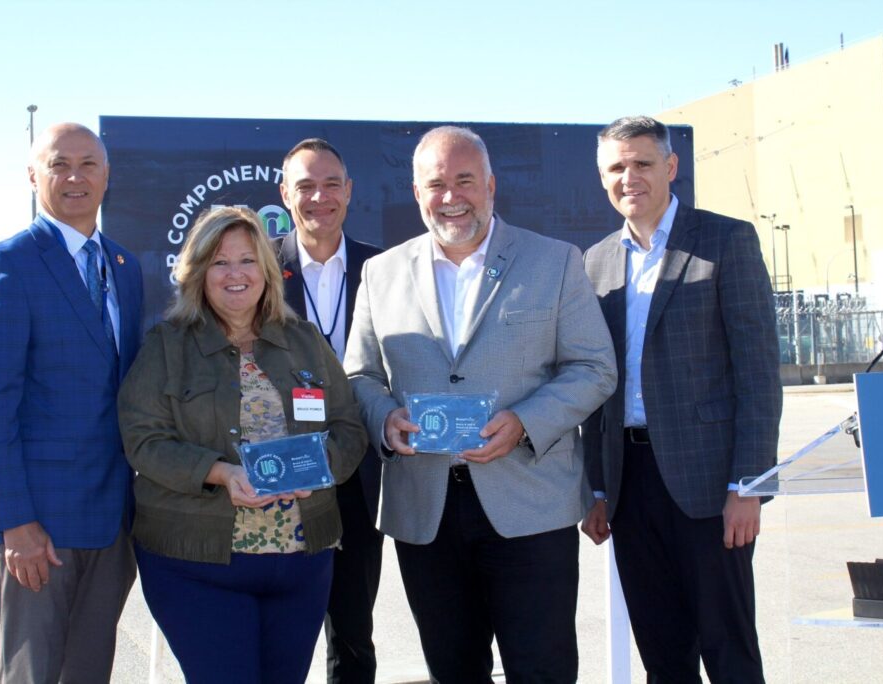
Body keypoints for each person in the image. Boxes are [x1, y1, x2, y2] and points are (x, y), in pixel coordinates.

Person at [344, 125, 617, 682]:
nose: (451, 196)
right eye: (436, 184)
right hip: (427, 512)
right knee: (452, 669)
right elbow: (360, 374)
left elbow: (594, 368)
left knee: (542, 669)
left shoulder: (555, 262)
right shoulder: (381, 273)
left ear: (491, 185)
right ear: (417, 193)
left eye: (464, 180)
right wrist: (384, 417)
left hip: (529, 506)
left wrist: (525, 422)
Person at [118, 206, 368, 683]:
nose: (236, 274)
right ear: (198, 273)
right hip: (198, 565)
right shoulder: (167, 346)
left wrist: (312, 468)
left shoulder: (305, 341)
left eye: (248, 260)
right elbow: (143, 440)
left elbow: (348, 428)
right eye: (219, 262)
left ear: (268, 271)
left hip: (301, 564)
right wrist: (220, 472)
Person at [581, 115, 782, 683]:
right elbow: (593, 386)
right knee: (662, 654)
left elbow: (759, 374)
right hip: (629, 485)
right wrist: (595, 487)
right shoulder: (594, 263)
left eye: (643, 163)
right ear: (603, 178)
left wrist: (749, 485)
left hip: (712, 486)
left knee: (729, 650)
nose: (630, 177)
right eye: (617, 168)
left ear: (671, 167)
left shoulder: (726, 240)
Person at [0, 122, 144, 682]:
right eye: (59, 164)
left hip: (110, 525)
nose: (75, 176)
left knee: (88, 673)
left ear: (107, 177)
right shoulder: (6, 265)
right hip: (36, 529)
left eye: (89, 164)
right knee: (31, 674)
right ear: (34, 175)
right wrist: (15, 521)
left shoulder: (124, 268)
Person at [276, 138, 385, 683]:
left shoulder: (385, 269)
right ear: (285, 194)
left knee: (352, 631)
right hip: (279, 476)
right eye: (305, 186)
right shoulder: (259, 267)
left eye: (331, 184)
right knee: (282, 628)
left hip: (361, 472)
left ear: (349, 190)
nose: (319, 197)